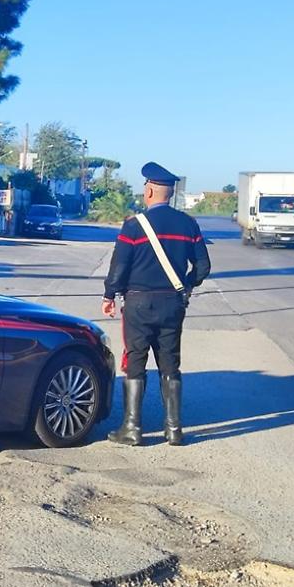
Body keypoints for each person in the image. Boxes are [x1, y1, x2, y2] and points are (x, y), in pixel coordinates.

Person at [102, 162, 211, 446]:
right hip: (172, 304)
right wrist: (185, 285)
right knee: (170, 364)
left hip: (138, 304)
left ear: (149, 190)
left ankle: (132, 428)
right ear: (171, 193)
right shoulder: (188, 224)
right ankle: (174, 429)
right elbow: (203, 267)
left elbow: (119, 266)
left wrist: (109, 294)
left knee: (135, 362)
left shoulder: (133, 225)